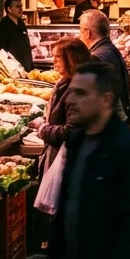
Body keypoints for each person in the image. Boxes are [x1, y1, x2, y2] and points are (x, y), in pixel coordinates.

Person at [42, 61, 130, 259]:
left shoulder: (128, 149)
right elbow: (67, 204)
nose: (70, 100)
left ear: (106, 99)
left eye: (81, 93)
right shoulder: (77, 141)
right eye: (71, 92)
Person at [37, 39, 93, 210]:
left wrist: (43, 129)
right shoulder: (67, 83)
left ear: (71, 59)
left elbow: (73, 132)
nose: (54, 61)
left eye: (58, 57)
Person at [81, 10, 130, 125]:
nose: (79, 34)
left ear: (88, 33)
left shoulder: (96, 57)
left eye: (80, 30)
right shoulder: (109, 49)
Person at [0, 0, 33, 69]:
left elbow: (27, 47)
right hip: (12, 69)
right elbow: (1, 53)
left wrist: (31, 66)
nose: (21, 9)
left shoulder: (21, 23)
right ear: (9, 9)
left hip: (26, 68)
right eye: (17, 6)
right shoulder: (2, 28)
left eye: (21, 6)